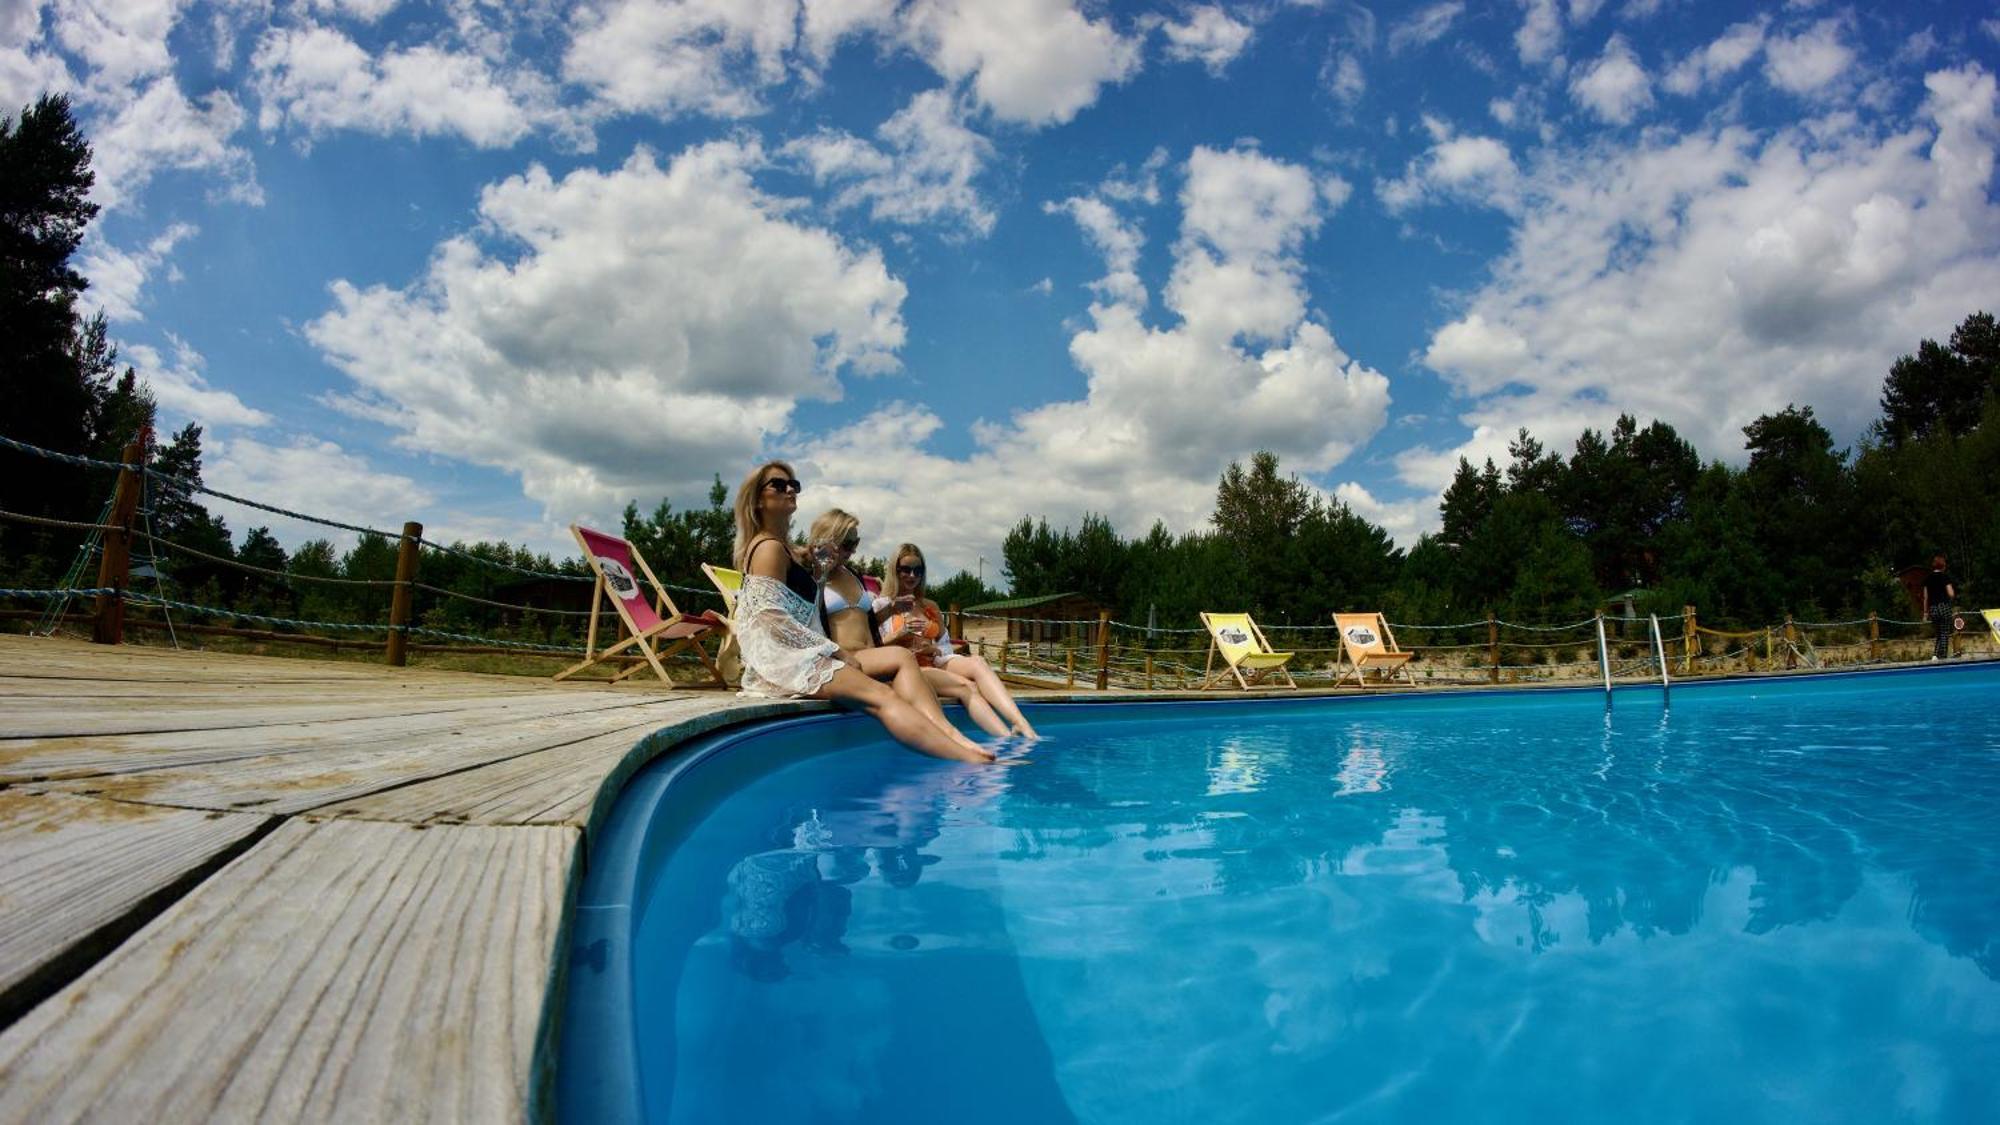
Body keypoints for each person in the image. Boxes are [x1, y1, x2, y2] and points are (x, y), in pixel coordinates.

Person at [731, 461, 992, 763]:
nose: (790, 489)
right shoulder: (768, 549)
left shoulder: (784, 548)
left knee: (896, 677)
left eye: (794, 485)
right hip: (788, 662)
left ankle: (955, 740)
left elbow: (803, 611)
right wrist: (833, 650)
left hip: (804, 655)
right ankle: (966, 756)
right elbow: (770, 620)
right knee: (883, 698)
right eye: (778, 484)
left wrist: (819, 574)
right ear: (758, 499)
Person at [805, 510, 1013, 739]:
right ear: (829, 538)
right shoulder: (812, 575)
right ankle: (952, 737)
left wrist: (893, 612)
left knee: (967, 678)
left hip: (880, 657)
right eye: (847, 544)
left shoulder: (853, 576)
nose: (853, 550)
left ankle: (1006, 735)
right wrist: (819, 572)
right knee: (907, 660)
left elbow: (866, 622)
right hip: (856, 657)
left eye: (856, 543)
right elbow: (808, 617)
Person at [881, 542, 1040, 740]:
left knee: (978, 662)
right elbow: (874, 649)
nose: (912, 575)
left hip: (934, 662)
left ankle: (1020, 722)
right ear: (894, 571)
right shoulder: (882, 606)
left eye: (918, 570)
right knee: (966, 686)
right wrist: (900, 635)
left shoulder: (929, 606)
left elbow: (944, 646)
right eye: (906, 569)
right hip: (908, 669)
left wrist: (933, 649)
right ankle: (1006, 739)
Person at [1922, 553, 1956, 661]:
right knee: (1945, 633)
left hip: (1933, 608)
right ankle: (1942, 657)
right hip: (1944, 606)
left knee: (1938, 633)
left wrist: (1925, 613)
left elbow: (1925, 598)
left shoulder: (1928, 579)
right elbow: (1951, 593)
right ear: (1943, 566)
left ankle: (1935, 655)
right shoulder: (1944, 577)